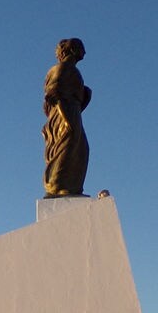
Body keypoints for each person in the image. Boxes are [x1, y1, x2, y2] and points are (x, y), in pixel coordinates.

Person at [42, 38, 92, 197]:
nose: (84, 52)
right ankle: (57, 186)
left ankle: (72, 187)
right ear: (72, 49)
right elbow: (54, 94)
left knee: (81, 149)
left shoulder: (72, 70)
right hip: (66, 112)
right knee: (67, 145)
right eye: (81, 47)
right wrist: (67, 119)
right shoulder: (62, 68)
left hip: (73, 111)